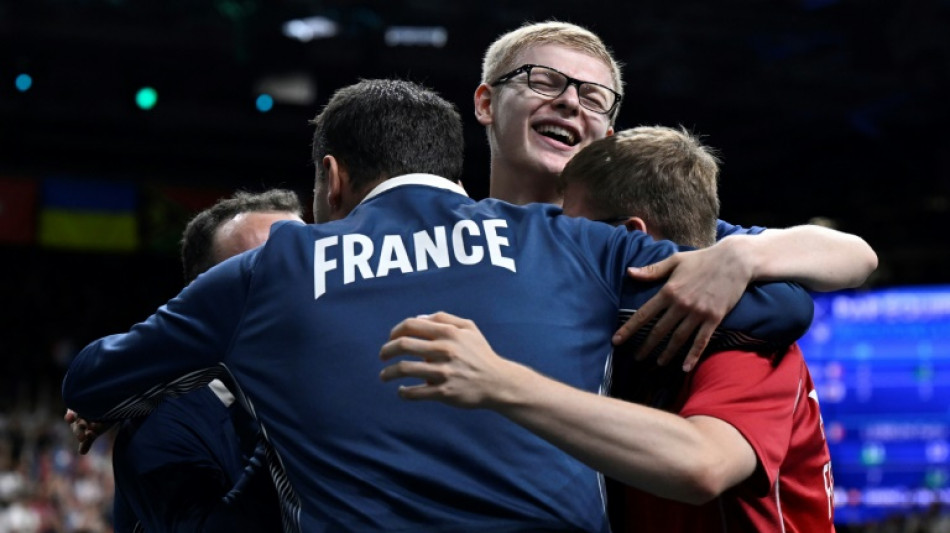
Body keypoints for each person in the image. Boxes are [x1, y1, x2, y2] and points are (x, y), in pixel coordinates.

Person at [62, 79, 813, 533]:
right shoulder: (565, 241)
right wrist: (740, 253)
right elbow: (774, 307)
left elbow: (95, 378)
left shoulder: (270, 269)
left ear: (332, 177)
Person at [380, 126, 848, 532]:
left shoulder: (748, 346)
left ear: (631, 236)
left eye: (572, 233)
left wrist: (500, 382)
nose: (560, 248)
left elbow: (703, 465)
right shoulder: (607, 334)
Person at [475, 21, 877, 367]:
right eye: (543, 81)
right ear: (487, 103)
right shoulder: (443, 229)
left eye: (593, 98)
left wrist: (741, 254)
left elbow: (855, 256)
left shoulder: (645, 237)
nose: (568, 102)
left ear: (607, 139)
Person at [69, 190, 301, 532]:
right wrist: (301, 425)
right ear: (205, 296)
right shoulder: (160, 428)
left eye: (304, 258)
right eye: (266, 268)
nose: (301, 280)